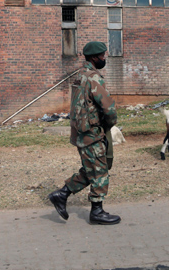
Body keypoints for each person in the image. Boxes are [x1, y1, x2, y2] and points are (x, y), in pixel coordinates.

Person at [48, 41, 120, 225]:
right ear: (95, 57)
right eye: (103, 55)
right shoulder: (94, 78)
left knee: (92, 169)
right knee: (100, 171)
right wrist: (108, 126)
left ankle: (61, 195)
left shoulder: (80, 76)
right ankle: (97, 212)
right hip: (92, 133)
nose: (104, 58)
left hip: (81, 132)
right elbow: (109, 108)